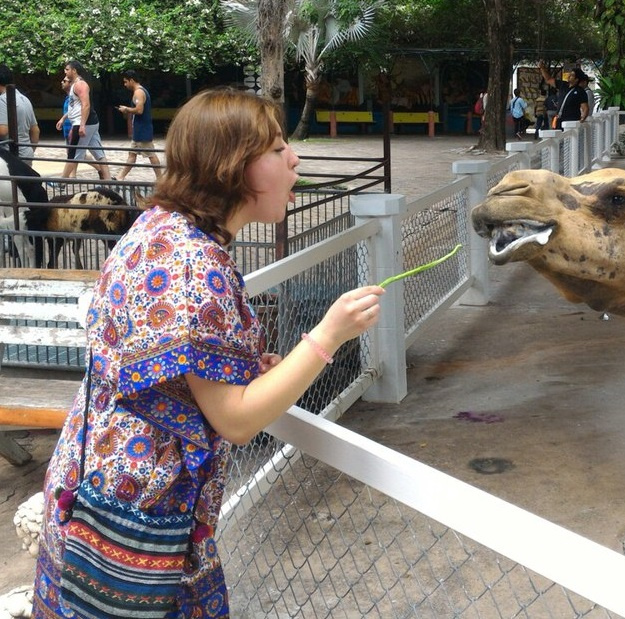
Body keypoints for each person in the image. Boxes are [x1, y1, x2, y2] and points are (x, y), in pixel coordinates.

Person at [32, 87, 384, 618]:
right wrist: (327, 336)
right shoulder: (198, 266)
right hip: (139, 516)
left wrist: (249, 368)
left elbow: (179, 366)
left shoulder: (158, 228)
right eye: (276, 149)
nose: (295, 158)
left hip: (86, 485)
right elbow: (236, 420)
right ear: (232, 168)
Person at [59, 60, 110, 180]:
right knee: (98, 153)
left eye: (67, 69)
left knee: (73, 154)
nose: (65, 72)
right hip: (86, 122)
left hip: (83, 123)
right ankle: (108, 180)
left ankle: (61, 182)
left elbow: (85, 105)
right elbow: (75, 107)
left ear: (74, 70)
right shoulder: (75, 85)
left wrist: (81, 125)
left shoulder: (80, 84)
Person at [115, 69, 163, 180]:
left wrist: (127, 109)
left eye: (126, 82)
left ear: (131, 80)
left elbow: (139, 110)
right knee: (132, 154)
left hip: (143, 129)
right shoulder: (139, 91)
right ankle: (120, 177)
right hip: (139, 129)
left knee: (151, 154)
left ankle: (160, 178)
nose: (125, 84)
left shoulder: (139, 92)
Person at [0, 64, 40, 159]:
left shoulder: (2, 100)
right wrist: (30, 151)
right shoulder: (24, 99)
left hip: (9, 158)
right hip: (26, 154)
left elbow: (3, 131)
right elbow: (35, 130)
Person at [539, 63, 590, 127]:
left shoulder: (580, 91)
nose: (569, 76)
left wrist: (582, 119)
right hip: (559, 120)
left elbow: (585, 108)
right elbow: (549, 79)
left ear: (576, 79)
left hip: (571, 121)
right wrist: (542, 68)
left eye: (572, 75)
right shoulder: (563, 85)